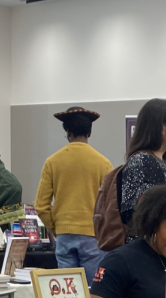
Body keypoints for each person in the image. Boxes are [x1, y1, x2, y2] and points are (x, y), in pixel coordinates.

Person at [36, 107, 113, 280]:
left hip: (64, 235)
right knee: (93, 291)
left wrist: (58, 228)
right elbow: (110, 206)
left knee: (68, 292)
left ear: (67, 131)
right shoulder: (103, 163)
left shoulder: (52, 162)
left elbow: (40, 206)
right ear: (90, 132)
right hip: (93, 237)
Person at [117, 99, 166, 242]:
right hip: (146, 250)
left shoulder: (164, 163)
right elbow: (136, 216)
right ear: (161, 126)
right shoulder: (141, 162)